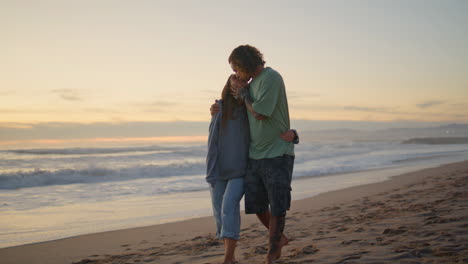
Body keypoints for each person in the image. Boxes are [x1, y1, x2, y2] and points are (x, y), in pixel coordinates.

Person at [207, 74, 298, 264]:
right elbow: (212, 142)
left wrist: (294, 134)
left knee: (229, 206)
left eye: (243, 81)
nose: (240, 83)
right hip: (220, 170)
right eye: (235, 79)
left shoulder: (251, 109)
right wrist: (211, 172)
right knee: (220, 212)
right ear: (228, 84)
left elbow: (270, 125)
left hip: (242, 168)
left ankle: (229, 258)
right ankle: (277, 238)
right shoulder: (219, 108)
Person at [229, 44, 296, 264]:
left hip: (277, 152)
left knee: (277, 205)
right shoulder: (251, 84)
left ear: (245, 64)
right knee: (257, 205)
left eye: (236, 68)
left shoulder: (271, 78)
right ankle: (279, 240)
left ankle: (272, 252)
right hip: (255, 155)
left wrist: (244, 93)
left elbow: (259, 112)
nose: (236, 74)